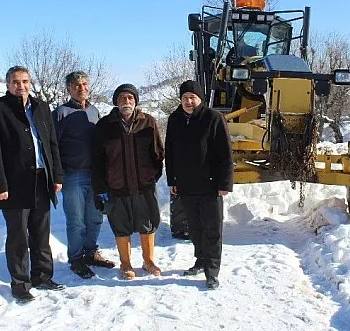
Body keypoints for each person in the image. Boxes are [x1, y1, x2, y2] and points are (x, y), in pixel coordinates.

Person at [0, 66, 65, 303]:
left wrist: (57, 176)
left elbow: (51, 144)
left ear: (30, 83)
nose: (21, 86)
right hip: (14, 184)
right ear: (7, 84)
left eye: (25, 81)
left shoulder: (41, 107)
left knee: (41, 233)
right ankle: (20, 284)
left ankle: (42, 276)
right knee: (18, 237)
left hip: (42, 179)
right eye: (16, 82)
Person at [165, 80, 233, 290]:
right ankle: (201, 260)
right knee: (194, 229)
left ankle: (212, 272)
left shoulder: (213, 118)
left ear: (200, 99)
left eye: (192, 97)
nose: (188, 101)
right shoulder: (175, 119)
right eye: (185, 98)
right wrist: (172, 179)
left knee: (212, 230)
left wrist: (225, 183)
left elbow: (225, 153)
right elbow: (170, 152)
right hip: (185, 186)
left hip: (210, 185)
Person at [92, 83, 164, 280]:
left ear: (135, 101)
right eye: (122, 98)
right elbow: (97, 160)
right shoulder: (105, 126)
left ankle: (148, 261)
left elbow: (158, 153)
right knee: (121, 225)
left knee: (147, 224)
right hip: (117, 186)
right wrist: (101, 187)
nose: (126, 101)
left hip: (143, 186)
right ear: (116, 102)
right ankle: (125, 264)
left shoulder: (148, 122)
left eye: (130, 98)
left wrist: (152, 176)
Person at [52, 71, 115, 279]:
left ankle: (91, 252)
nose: (82, 88)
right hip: (72, 175)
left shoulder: (94, 111)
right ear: (69, 89)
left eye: (85, 84)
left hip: (94, 175)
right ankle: (76, 258)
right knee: (76, 221)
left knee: (95, 217)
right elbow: (53, 147)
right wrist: (57, 175)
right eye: (77, 85)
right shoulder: (61, 113)